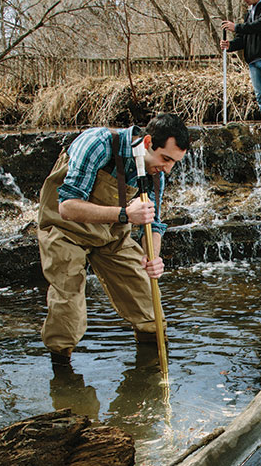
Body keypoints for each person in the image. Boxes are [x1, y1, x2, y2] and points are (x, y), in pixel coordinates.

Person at [37, 113, 190, 365]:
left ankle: (149, 383)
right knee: (68, 314)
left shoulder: (155, 172)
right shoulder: (97, 144)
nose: (168, 168)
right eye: (165, 159)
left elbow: (154, 223)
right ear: (148, 142)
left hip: (111, 234)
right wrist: (124, 214)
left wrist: (153, 257)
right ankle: (64, 386)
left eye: (175, 162)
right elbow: (67, 207)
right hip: (65, 231)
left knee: (151, 310)